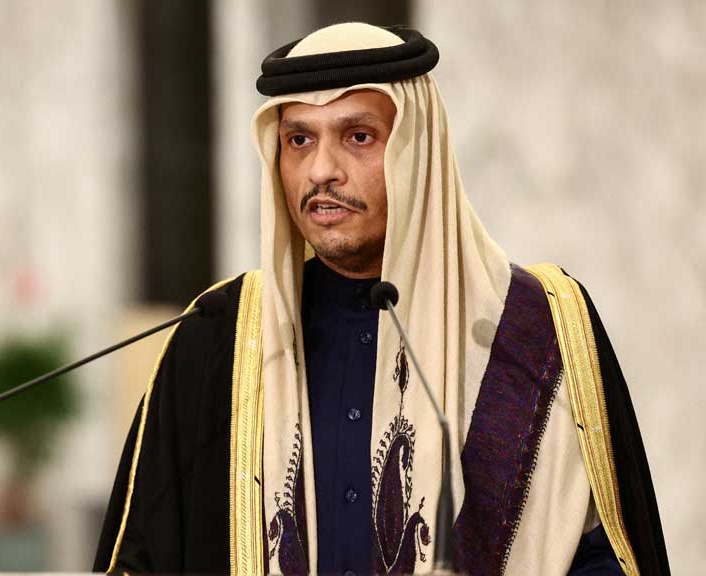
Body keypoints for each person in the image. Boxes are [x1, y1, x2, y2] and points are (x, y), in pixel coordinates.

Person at [94, 22, 669, 575]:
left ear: (417, 154)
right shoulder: (219, 338)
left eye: (358, 137)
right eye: (299, 140)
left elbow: (603, 555)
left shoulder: (533, 328)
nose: (321, 171)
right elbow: (142, 557)